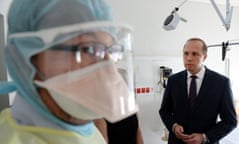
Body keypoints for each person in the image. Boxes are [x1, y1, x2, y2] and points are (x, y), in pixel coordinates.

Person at [0, 0, 138, 143]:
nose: (107, 69)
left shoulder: (89, 133)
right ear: (24, 60)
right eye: (88, 49)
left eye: (110, 51)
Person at [159, 37, 237, 144]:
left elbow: (230, 121)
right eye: (186, 53)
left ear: (204, 57)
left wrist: (205, 137)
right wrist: (173, 126)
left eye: (195, 54)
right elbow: (164, 111)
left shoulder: (221, 83)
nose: (189, 58)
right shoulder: (173, 80)